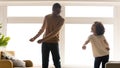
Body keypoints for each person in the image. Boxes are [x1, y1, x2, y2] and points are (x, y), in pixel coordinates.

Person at [29, 3, 64, 68]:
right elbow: (42, 29)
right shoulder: (47, 17)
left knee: (56, 62)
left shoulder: (61, 20)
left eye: (59, 11)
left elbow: (54, 33)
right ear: (53, 9)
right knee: (44, 62)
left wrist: (42, 39)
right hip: (45, 43)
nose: (59, 12)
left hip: (54, 42)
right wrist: (34, 38)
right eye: (57, 10)